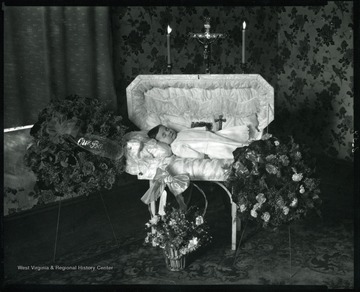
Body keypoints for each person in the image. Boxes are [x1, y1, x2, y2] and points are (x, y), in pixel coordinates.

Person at [148, 124, 261, 159]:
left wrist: (206, 130)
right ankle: (249, 151)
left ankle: (253, 142)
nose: (168, 132)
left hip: (211, 136)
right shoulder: (176, 147)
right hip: (210, 148)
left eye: (167, 129)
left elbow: (195, 131)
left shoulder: (181, 132)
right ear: (162, 142)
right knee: (229, 148)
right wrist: (203, 156)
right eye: (164, 135)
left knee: (231, 137)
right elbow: (191, 154)